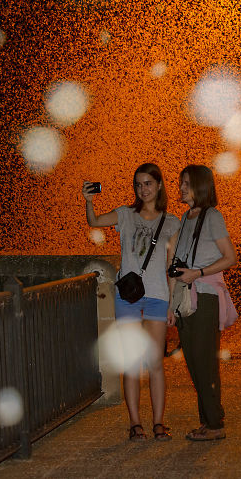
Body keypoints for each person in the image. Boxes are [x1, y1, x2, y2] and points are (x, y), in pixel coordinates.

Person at [82, 163, 181, 442]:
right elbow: (94, 222)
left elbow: (172, 266)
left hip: (158, 297)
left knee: (155, 363)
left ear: (159, 185)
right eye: (138, 184)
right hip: (128, 298)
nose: (143, 189)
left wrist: (172, 303)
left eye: (148, 183)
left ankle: (159, 423)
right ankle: (135, 423)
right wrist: (89, 203)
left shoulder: (172, 222)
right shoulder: (125, 215)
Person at [173, 164, 237, 441]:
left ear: (200, 186)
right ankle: (208, 420)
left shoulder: (212, 216)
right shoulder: (186, 218)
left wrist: (198, 272)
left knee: (204, 361)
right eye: (181, 182)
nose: (181, 187)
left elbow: (230, 257)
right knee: (194, 361)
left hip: (205, 295)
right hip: (186, 295)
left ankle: (214, 424)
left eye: (186, 183)